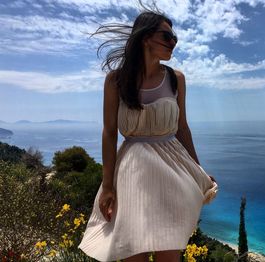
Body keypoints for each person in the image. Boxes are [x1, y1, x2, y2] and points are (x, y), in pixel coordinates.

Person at [78, 8, 218, 262]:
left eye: (174, 38)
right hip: (132, 173)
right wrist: (107, 185)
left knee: (169, 252)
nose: (173, 42)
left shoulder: (176, 79)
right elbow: (109, 133)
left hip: (171, 170)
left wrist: (197, 168)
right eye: (167, 36)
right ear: (145, 37)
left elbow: (182, 127)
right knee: (131, 250)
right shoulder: (116, 81)